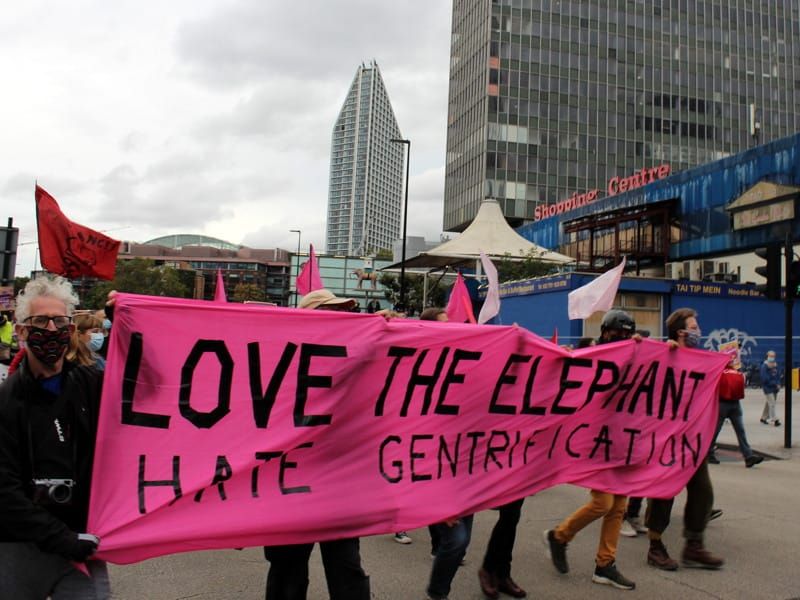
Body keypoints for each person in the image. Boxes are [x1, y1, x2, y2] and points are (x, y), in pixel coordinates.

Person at [0, 276, 109, 598]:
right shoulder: (6, 401)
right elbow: (3, 491)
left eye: (60, 321)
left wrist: (127, 321)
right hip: (18, 547)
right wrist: (63, 539)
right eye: (39, 321)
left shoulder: (92, 386)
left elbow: (150, 385)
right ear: (21, 331)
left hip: (82, 545)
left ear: (71, 331)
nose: (50, 329)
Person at [263, 289, 370, 600]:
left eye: (343, 311)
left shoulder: (353, 359)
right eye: (329, 310)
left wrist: (389, 329)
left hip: (339, 487)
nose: (341, 317)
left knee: (347, 570)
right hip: (289, 488)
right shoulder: (279, 360)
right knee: (287, 572)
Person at [543, 309, 638, 591]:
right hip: (595, 442)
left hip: (622, 442)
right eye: (618, 333)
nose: (622, 338)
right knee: (603, 503)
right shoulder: (592, 358)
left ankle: (605, 564)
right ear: (606, 332)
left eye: (627, 333)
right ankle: (559, 536)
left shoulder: (635, 356)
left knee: (618, 507)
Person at [645, 307, 724, 571]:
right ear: (680, 332)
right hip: (667, 438)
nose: (698, 332)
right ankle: (655, 546)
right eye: (693, 327)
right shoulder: (666, 355)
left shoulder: (701, 360)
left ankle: (694, 544)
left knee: (703, 490)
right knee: (664, 491)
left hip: (692, 440)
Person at [708, 356, 763, 468]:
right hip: (735, 403)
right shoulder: (737, 373)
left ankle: (709, 453)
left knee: (715, 430)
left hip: (722, 404)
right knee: (740, 431)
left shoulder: (720, 373)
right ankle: (748, 456)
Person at [759, 350, 781, 426]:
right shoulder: (764, 366)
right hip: (768, 388)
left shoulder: (775, 365)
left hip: (775, 388)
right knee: (772, 404)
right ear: (767, 356)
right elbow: (764, 379)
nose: (772, 358)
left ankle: (763, 418)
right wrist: (774, 383)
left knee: (769, 403)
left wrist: (778, 384)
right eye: (770, 356)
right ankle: (774, 419)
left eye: (773, 356)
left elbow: (778, 375)